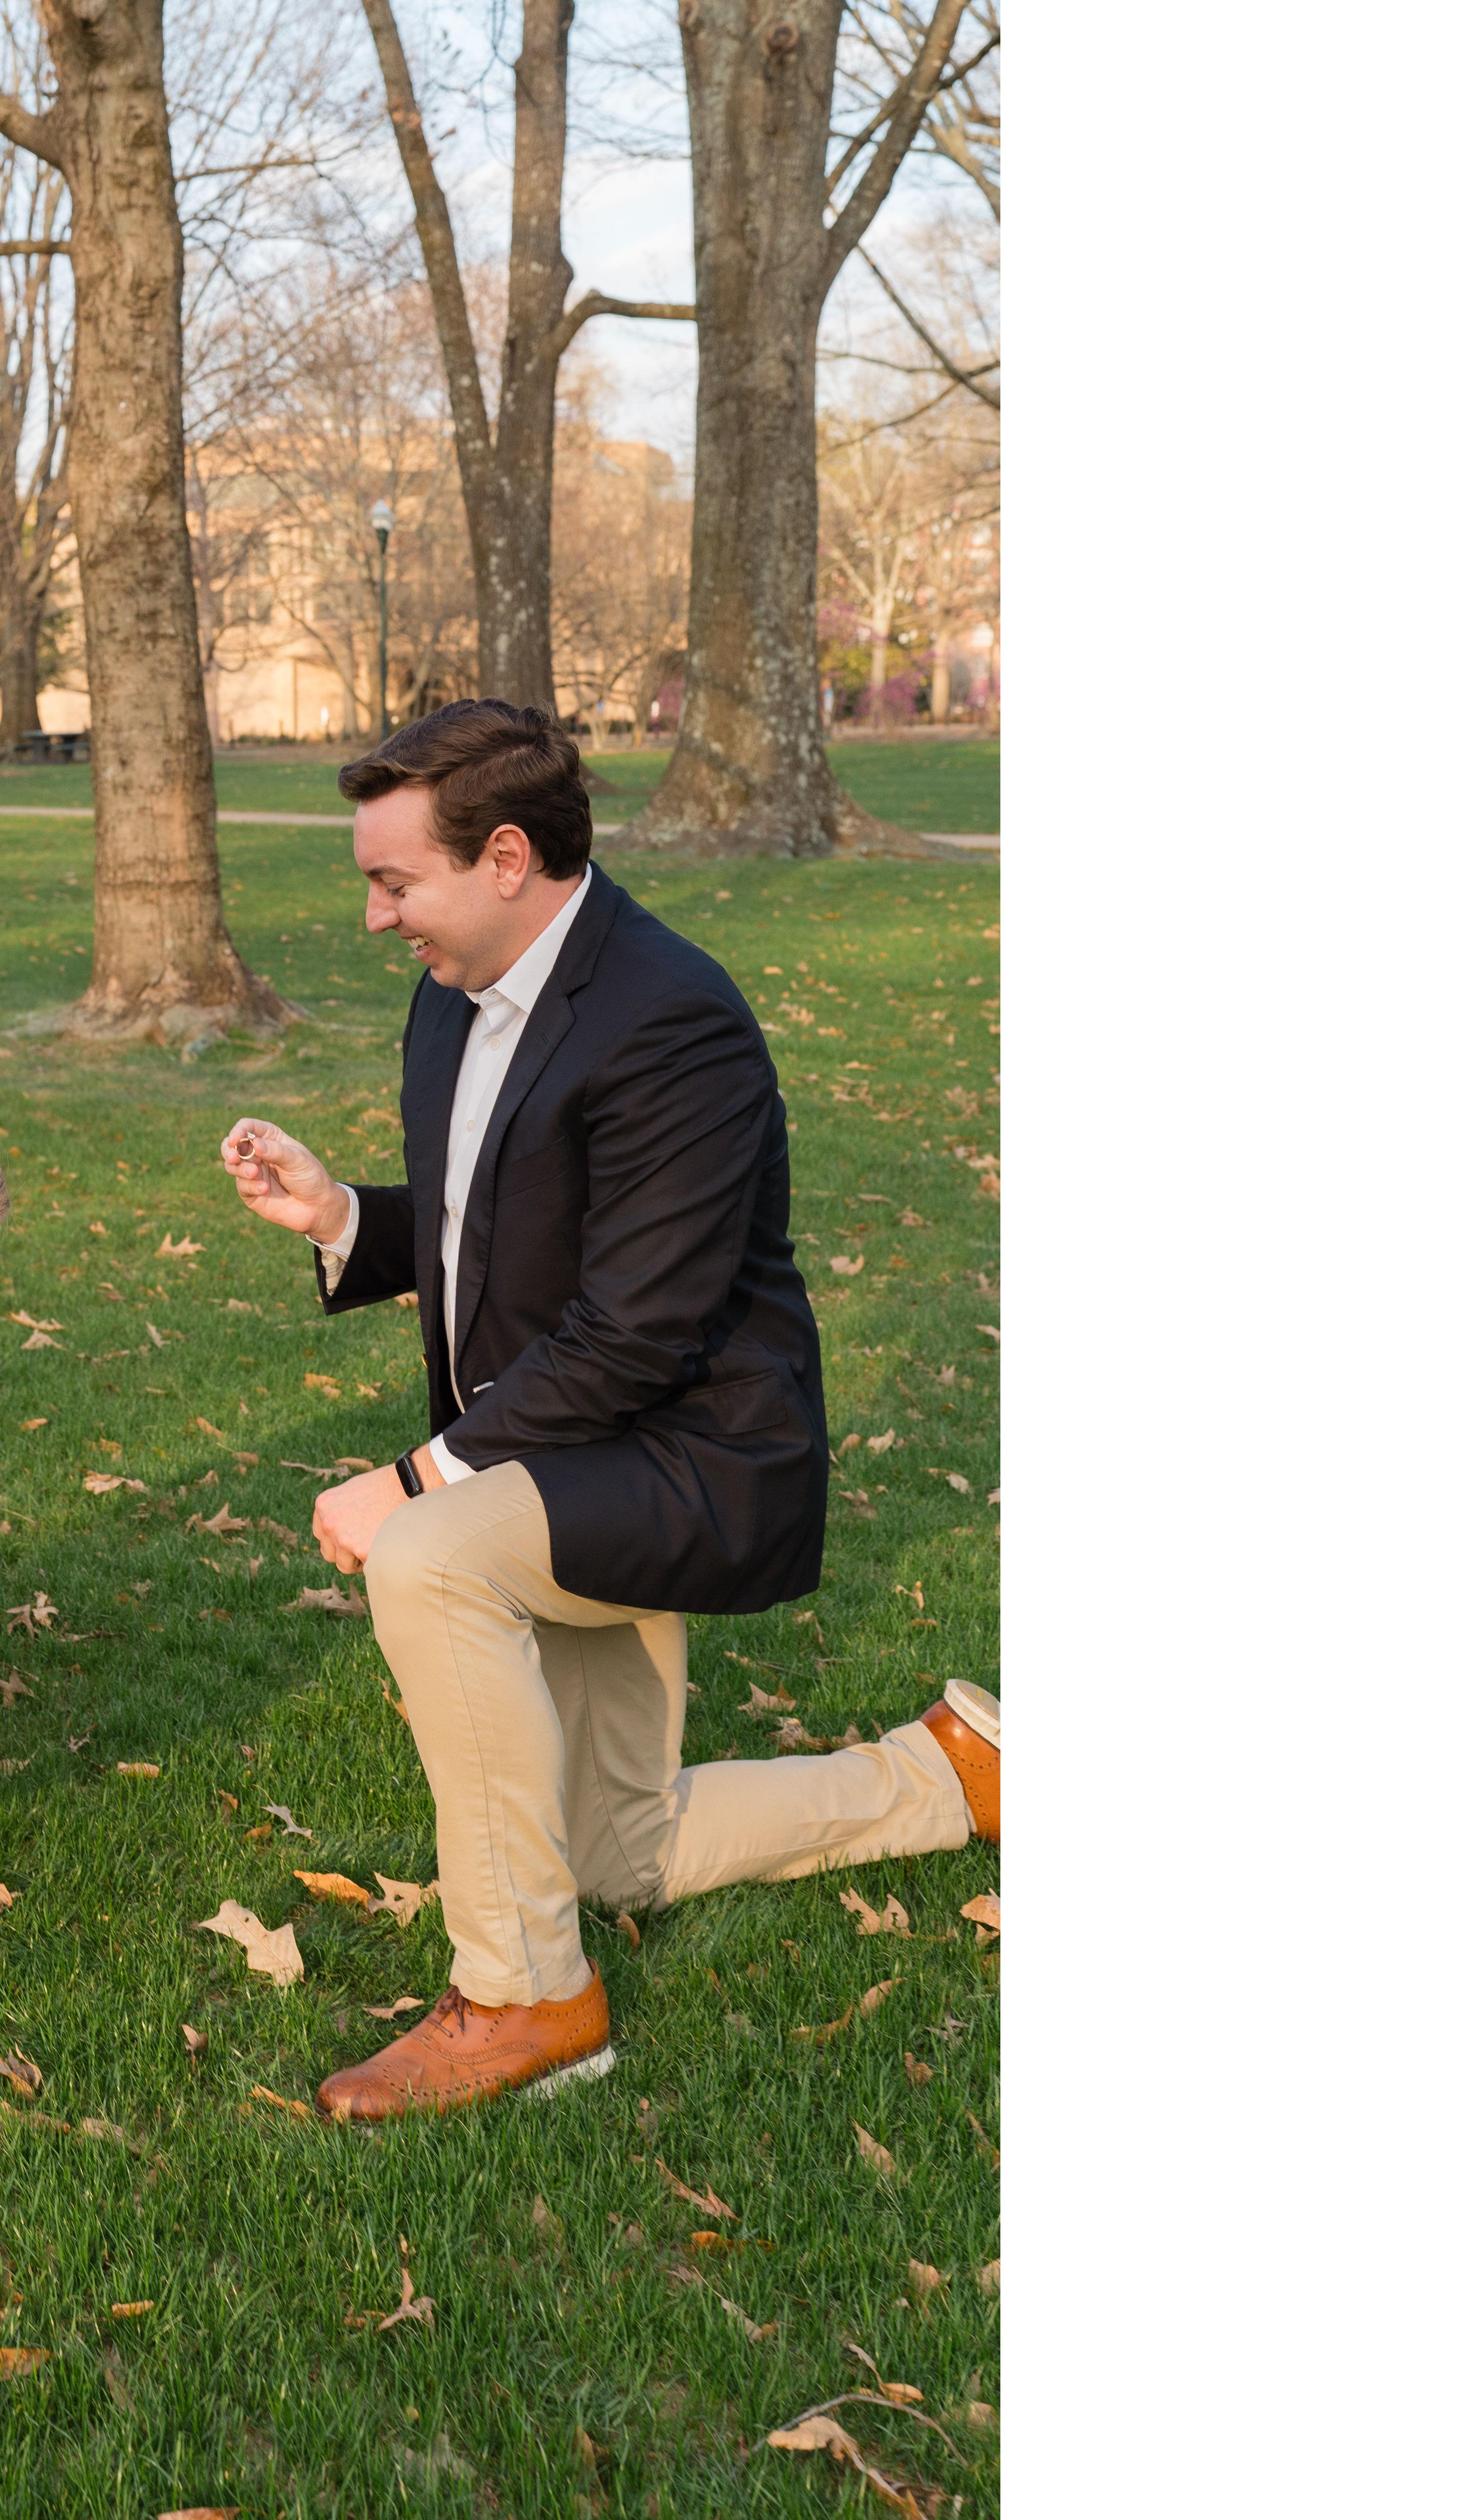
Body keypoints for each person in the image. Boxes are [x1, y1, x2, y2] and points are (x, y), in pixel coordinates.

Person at [219, 701, 998, 2123]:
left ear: (507, 858)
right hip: (571, 1445)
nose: (377, 918)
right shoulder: (455, 995)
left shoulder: (672, 1018)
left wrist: (421, 1477)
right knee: (618, 1854)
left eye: (395, 882)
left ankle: (530, 1998)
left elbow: (640, 1326)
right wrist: (340, 1218)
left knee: (429, 1557)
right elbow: (500, 1229)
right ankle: (955, 1779)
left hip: (690, 1456)